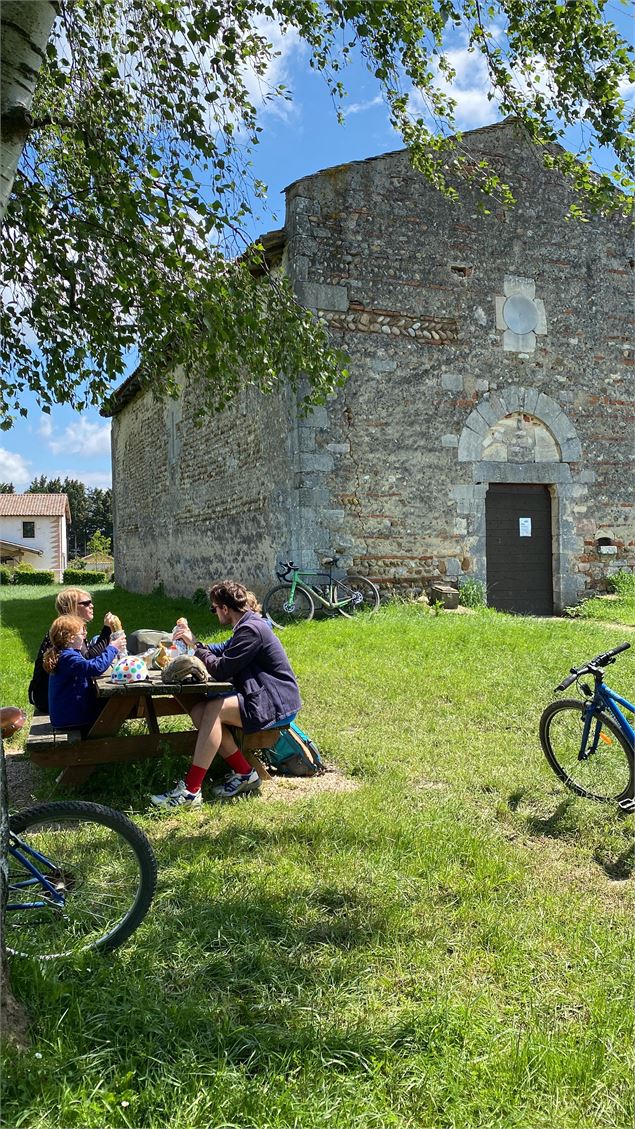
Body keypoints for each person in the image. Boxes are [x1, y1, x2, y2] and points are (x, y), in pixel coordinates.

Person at [150, 580, 301, 808]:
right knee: (201, 710)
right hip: (261, 694)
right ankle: (244, 773)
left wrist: (198, 650)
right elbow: (218, 650)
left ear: (224, 608)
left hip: (275, 701)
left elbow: (221, 669)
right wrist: (194, 643)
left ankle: (191, 792)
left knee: (213, 709)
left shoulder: (251, 629)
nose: (214, 613)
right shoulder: (246, 625)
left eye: (213, 608)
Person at [29, 588, 121, 712]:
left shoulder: (67, 629)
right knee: (110, 702)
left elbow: (87, 657)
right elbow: (88, 660)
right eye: (86, 603)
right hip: (50, 700)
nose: (92, 606)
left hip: (61, 697)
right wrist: (108, 635)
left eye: (91, 602)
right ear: (70, 607)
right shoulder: (66, 633)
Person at [44, 615, 125, 734]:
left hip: (65, 715)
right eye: (82, 634)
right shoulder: (68, 658)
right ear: (71, 638)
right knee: (116, 705)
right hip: (71, 718)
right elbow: (95, 667)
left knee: (109, 704)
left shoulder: (65, 654)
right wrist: (113, 648)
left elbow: (89, 664)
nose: (85, 635)